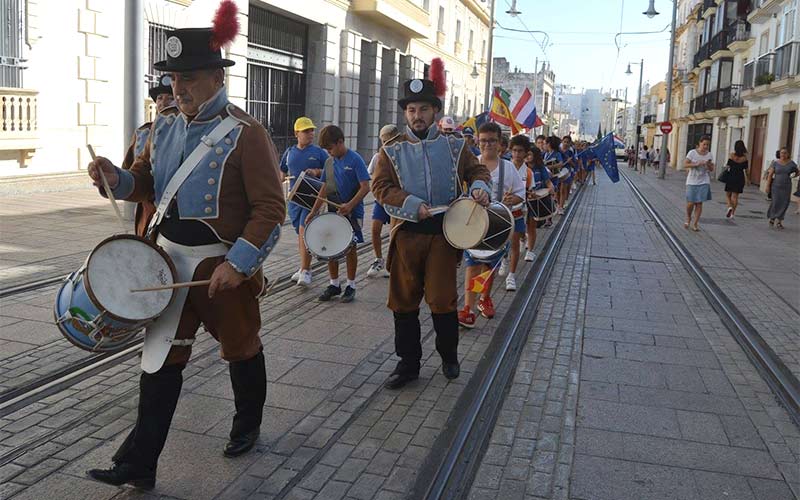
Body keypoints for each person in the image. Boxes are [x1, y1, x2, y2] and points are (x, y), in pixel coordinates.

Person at [85, 1, 285, 488]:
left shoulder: (246, 133)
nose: (179, 88)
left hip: (219, 268)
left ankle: (247, 425)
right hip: (168, 264)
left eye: (190, 77)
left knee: (241, 348)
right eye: (174, 79)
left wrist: (239, 263)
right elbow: (146, 183)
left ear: (218, 77)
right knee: (160, 362)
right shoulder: (165, 126)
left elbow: (269, 210)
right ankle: (139, 465)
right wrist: (116, 177)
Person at [371, 73, 491, 389]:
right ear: (405, 113)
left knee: (442, 300)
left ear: (434, 111)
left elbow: (477, 169)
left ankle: (448, 356)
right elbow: (380, 187)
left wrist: (479, 185)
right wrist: (410, 203)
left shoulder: (454, 145)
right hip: (407, 234)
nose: (417, 116)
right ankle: (408, 363)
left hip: (442, 236)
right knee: (403, 302)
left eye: (423, 109)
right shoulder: (391, 149)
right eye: (411, 110)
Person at [458, 122, 525, 328]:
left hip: (499, 225)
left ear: (500, 144)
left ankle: (484, 298)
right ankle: (468, 308)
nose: (487, 144)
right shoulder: (472, 164)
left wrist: (514, 199)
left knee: (490, 265)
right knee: (472, 263)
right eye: (484, 140)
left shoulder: (508, 168)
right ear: (477, 140)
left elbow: (520, 193)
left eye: (492, 140)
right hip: (474, 223)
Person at [306, 125, 371, 302]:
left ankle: (351, 285)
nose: (329, 152)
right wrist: (313, 212)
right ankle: (334, 284)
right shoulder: (329, 163)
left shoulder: (355, 159)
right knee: (331, 246)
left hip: (353, 211)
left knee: (351, 248)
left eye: (330, 148)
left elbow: (366, 187)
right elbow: (323, 189)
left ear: (340, 142)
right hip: (334, 210)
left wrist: (350, 205)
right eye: (326, 149)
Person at [121, 74, 175, 236]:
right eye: (159, 98)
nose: (163, 102)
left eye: (170, 98)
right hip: (147, 212)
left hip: (174, 213)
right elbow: (131, 171)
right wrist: (115, 178)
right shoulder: (143, 132)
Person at [280, 117, 328, 287]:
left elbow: (331, 169)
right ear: (296, 133)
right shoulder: (289, 153)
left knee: (304, 231)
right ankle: (303, 267)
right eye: (306, 131)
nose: (310, 134)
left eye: (312, 130)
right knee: (300, 234)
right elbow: (282, 171)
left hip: (312, 199)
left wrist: (316, 171)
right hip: (294, 201)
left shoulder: (320, 152)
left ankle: (306, 270)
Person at [366, 124, 401, 278]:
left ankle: (393, 262)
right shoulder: (377, 157)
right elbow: (370, 177)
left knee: (395, 233)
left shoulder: (403, 155)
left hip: (397, 200)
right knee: (375, 229)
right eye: (383, 141)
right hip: (381, 200)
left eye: (389, 141)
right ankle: (379, 259)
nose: (385, 145)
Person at [504, 134, 533, 291]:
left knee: (514, 244)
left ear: (526, 153)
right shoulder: (503, 168)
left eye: (520, 151)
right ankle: (503, 260)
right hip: (502, 212)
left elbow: (529, 191)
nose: (517, 154)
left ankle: (511, 275)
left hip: (518, 212)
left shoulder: (528, 172)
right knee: (502, 243)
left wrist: (526, 195)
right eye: (514, 150)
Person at [524, 146, 555, 261]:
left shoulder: (540, 168)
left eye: (530, 154)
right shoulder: (522, 167)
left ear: (535, 156)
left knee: (531, 226)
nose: (527, 156)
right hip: (522, 201)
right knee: (521, 228)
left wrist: (551, 189)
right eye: (526, 154)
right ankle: (523, 238)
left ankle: (530, 251)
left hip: (535, 201)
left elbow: (547, 182)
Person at [684, 135, 714, 231]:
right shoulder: (692, 153)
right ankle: (688, 217)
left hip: (704, 180)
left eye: (707, 145)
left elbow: (711, 169)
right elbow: (685, 164)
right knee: (690, 203)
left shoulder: (709, 155)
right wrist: (696, 164)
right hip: (692, 180)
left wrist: (708, 164)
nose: (705, 146)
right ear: (699, 143)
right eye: (704, 144)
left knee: (699, 203)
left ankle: (695, 223)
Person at [766, 147, 799, 229]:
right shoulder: (775, 163)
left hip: (786, 186)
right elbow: (770, 175)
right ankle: (772, 218)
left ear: (788, 154)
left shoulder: (791, 163)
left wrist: (794, 175)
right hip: (776, 186)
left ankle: (779, 221)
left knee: (784, 203)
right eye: (782, 153)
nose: (783, 154)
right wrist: (767, 185)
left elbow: (797, 171)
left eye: (785, 153)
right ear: (779, 154)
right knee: (775, 202)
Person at [723, 140, 749, 220]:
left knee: (728, 195)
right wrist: (748, 179)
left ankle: (729, 207)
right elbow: (747, 170)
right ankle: (732, 213)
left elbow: (728, 166)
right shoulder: (745, 158)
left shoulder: (731, 156)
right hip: (740, 178)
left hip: (731, 176)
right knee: (735, 196)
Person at [543, 136, 565, 214]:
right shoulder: (545, 153)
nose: (543, 145)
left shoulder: (557, 153)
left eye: (545, 143)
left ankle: (551, 215)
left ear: (549, 144)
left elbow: (561, 163)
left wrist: (550, 166)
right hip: (546, 177)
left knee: (551, 194)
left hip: (553, 177)